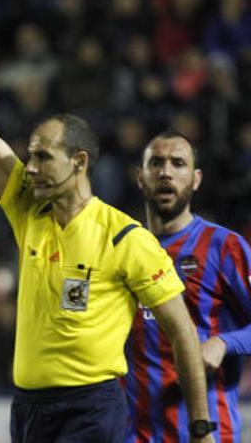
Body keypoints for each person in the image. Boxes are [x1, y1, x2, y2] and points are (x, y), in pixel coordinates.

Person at [0, 0, 214, 442]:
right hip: (28, 409)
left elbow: (184, 333)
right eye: (29, 154)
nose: (31, 166)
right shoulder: (28, 210)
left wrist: (201, 426)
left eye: (43, 155)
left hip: (91, 409)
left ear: (79, 161)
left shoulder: (126, 239)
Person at [126, 131, 251, 442]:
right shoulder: (122, 249)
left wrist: (224, 343)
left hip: (206, 431)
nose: (166, 172)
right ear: (140, 178)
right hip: (132, 432)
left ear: (196, 179)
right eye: (156, 163)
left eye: (178, 163)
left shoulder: (225, 247)